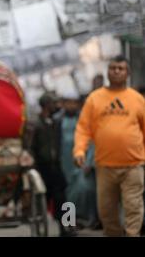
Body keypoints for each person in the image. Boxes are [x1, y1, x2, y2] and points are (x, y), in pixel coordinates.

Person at [73, 55, 145, 236]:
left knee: (133, 207)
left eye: (121, 68)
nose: (116, 71)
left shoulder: (137, 99)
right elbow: (83, 128)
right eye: (113, 68)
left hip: (133, 166)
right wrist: (80, 150)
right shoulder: (94, 99)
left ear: (127, 73)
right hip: (105, 166)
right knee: (106, 211)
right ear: (108, 71)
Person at [30, 92, 77, 237]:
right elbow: (31, 147)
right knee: (45, 198)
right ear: (46, 106)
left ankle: (67, 227)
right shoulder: (35, 125)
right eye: (53, 104)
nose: (57, 106)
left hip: (56, 166)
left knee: (62, 198)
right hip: (42, 168)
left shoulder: (56, 123)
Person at [59, 93, 98, 229]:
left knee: (86, 190)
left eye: (74, 103)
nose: (71, 106)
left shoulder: (85, 120)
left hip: (82, 162)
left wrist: (89, 161)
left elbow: (93, 142)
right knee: (67, 193)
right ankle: (68, 222)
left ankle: (90, 219)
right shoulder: (58, 120)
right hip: (64, 162)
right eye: (68, 103)